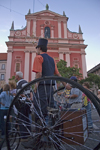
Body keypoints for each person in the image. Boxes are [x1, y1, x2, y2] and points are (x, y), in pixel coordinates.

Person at [15, 71, 31, 141]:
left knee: (22, 119)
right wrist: (29, 98)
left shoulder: (20, 83)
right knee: (27, 118)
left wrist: (25, 97)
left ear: (18, 77)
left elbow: (20, 93)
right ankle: (28, 134)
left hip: (22, 103)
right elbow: (30, 91)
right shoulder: (26, 82)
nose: (15, 77)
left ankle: (24, 136)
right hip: (28, 103)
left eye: (15, 76)